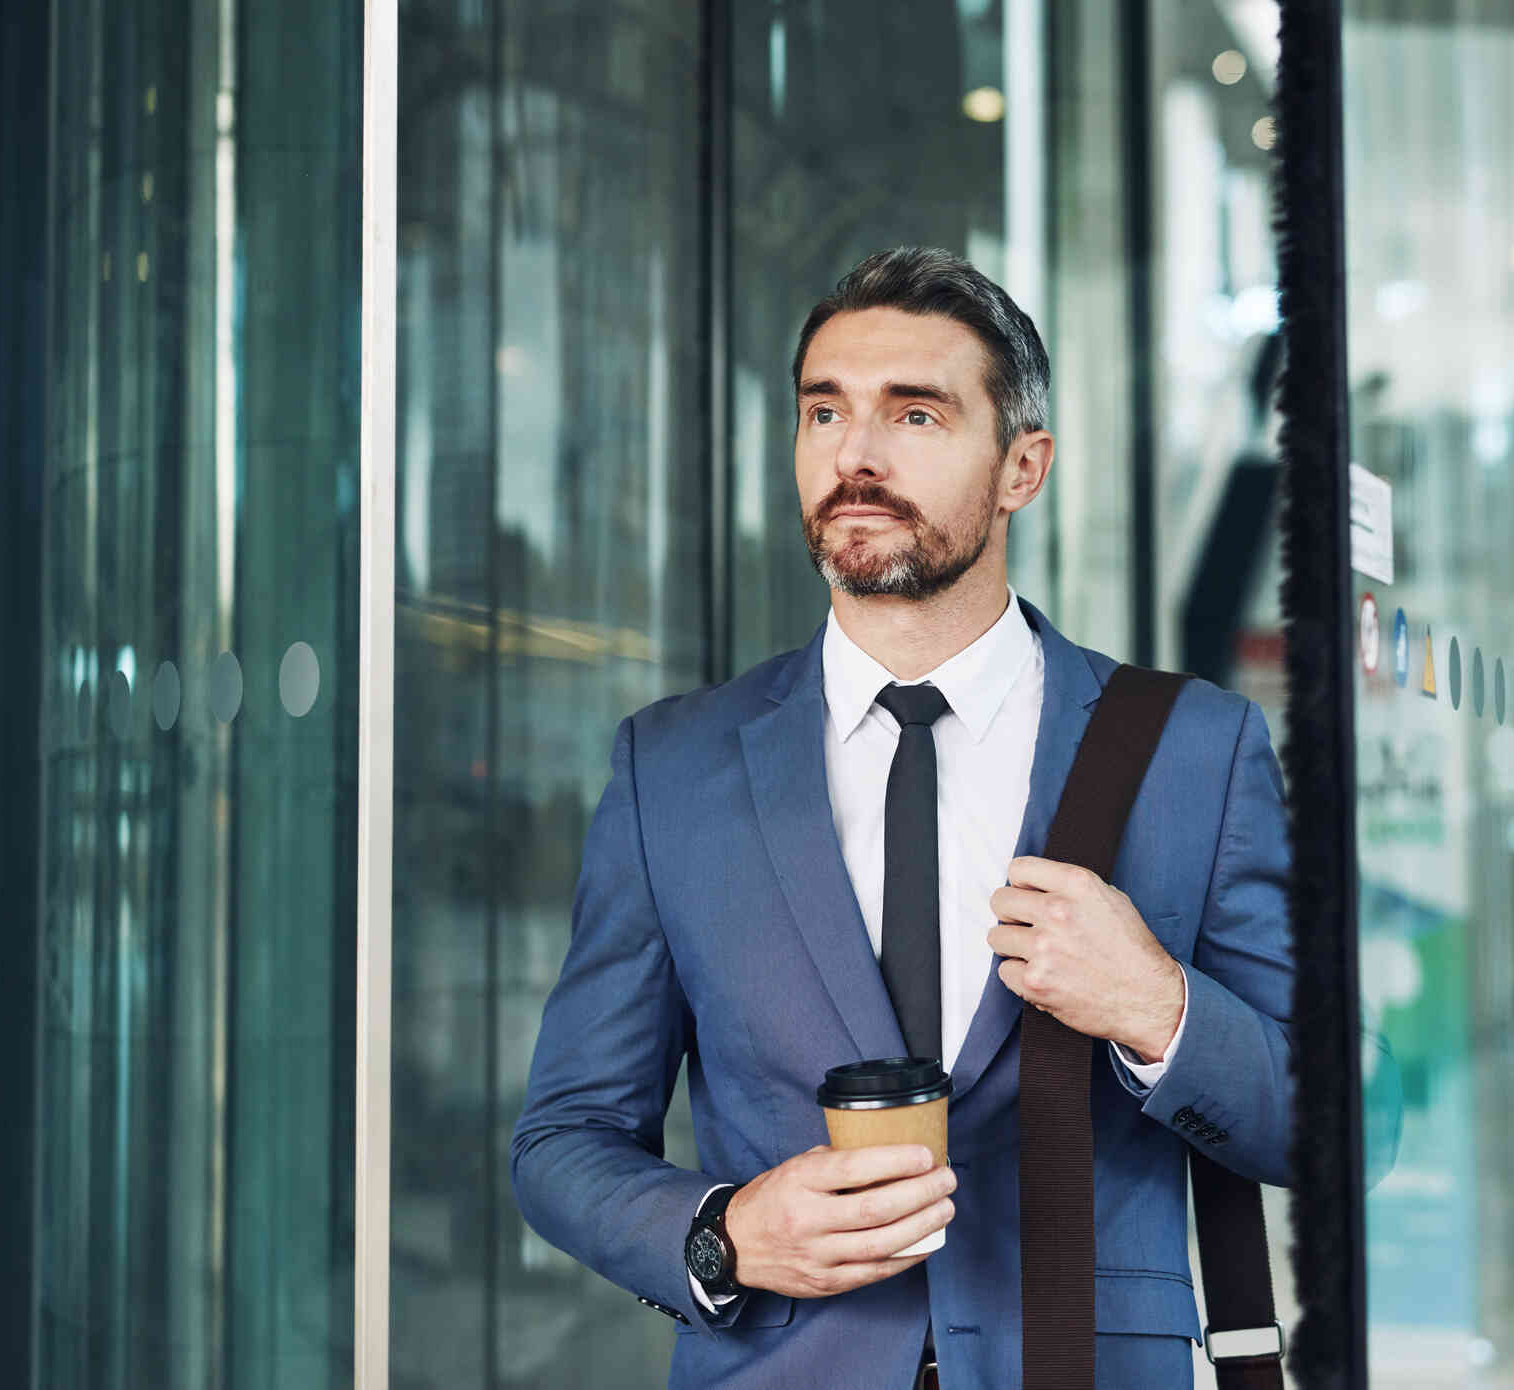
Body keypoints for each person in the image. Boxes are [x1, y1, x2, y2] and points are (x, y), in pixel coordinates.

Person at [510, 247, 1294, 1389]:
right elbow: (562, 1140)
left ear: (1023, 466)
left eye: (914, 414)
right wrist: (725, 1232)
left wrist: (1156, 1007)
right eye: (824, 411)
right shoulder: (669, 769)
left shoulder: (1194, 749)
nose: (856, 455)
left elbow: (1331, 1122)